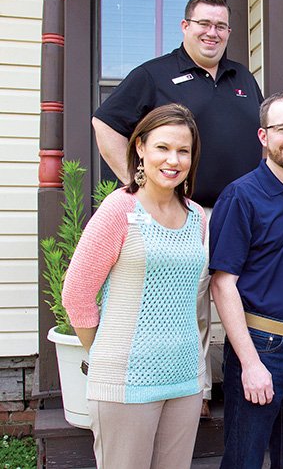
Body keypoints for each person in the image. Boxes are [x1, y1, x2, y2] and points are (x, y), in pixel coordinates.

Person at [92, 0, 264, 416]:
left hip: (240, 211)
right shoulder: (155, 74)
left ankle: (253, 380)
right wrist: (142, 186)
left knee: (244, 295)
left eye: (221, 26)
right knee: (189, 302)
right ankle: (196, 392)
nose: (213, 33)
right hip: (188, 212)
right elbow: (106, 123)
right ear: (185, 26)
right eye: (204, 24)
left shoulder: (242, 76)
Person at [61, 104, 206, 468]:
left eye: (183, 151)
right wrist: (107, 350)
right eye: (163, 147)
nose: (173, 159)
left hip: (185, 378)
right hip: (126, 383)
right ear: (140, 147)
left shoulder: (197, 218)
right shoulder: (119, 211)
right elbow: (77, 293)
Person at [209, 92, 283, 468]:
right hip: (261, 347)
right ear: (264, 136)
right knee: (244, 461)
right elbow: (222, 283)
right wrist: (249, 363)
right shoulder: (242, 196)